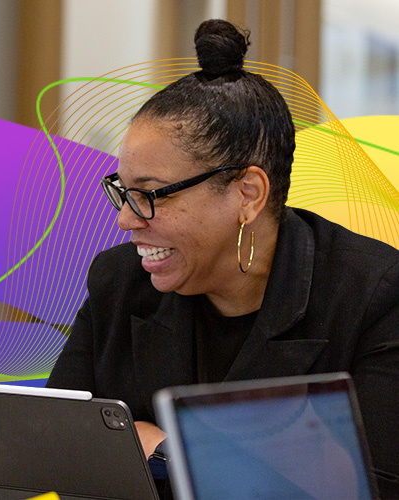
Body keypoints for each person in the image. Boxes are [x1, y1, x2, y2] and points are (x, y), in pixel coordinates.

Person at [47, 19, 399, 499]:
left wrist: (161, 447)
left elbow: (369, 487)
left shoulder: (373, 295)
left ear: (247, 194)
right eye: (122, 192)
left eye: (150, 194)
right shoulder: (119, 281)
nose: (127, 220)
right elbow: (55, 443)